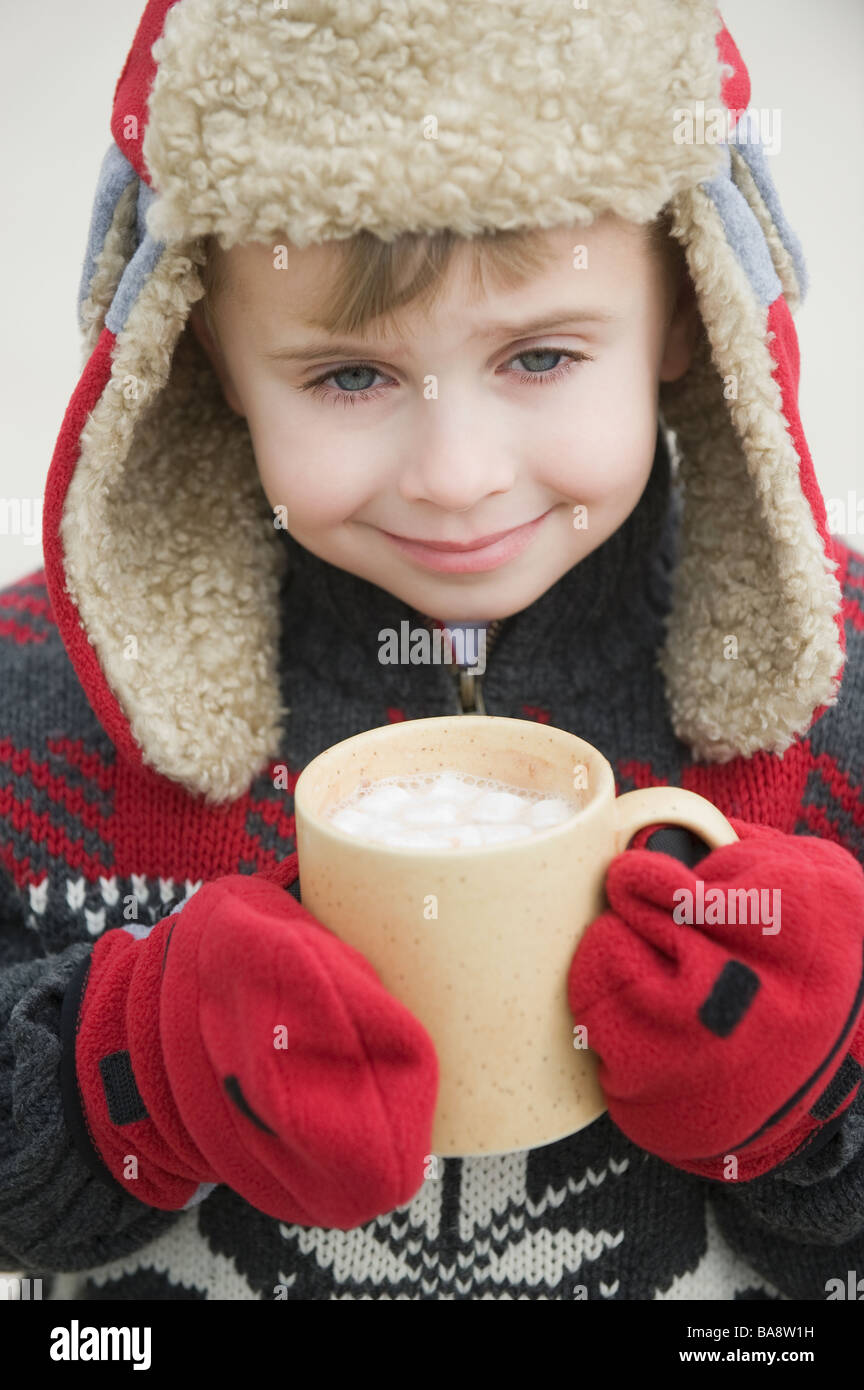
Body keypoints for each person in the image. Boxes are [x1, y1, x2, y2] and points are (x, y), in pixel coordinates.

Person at [1, 0, 862, 1302]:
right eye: (350, 377)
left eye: (541, 355)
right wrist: (122, 1072)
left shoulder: (842, 693)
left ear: (693, 309)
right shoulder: (42, 696)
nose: (457, 478)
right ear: (209, 357)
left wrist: (825, 1092)